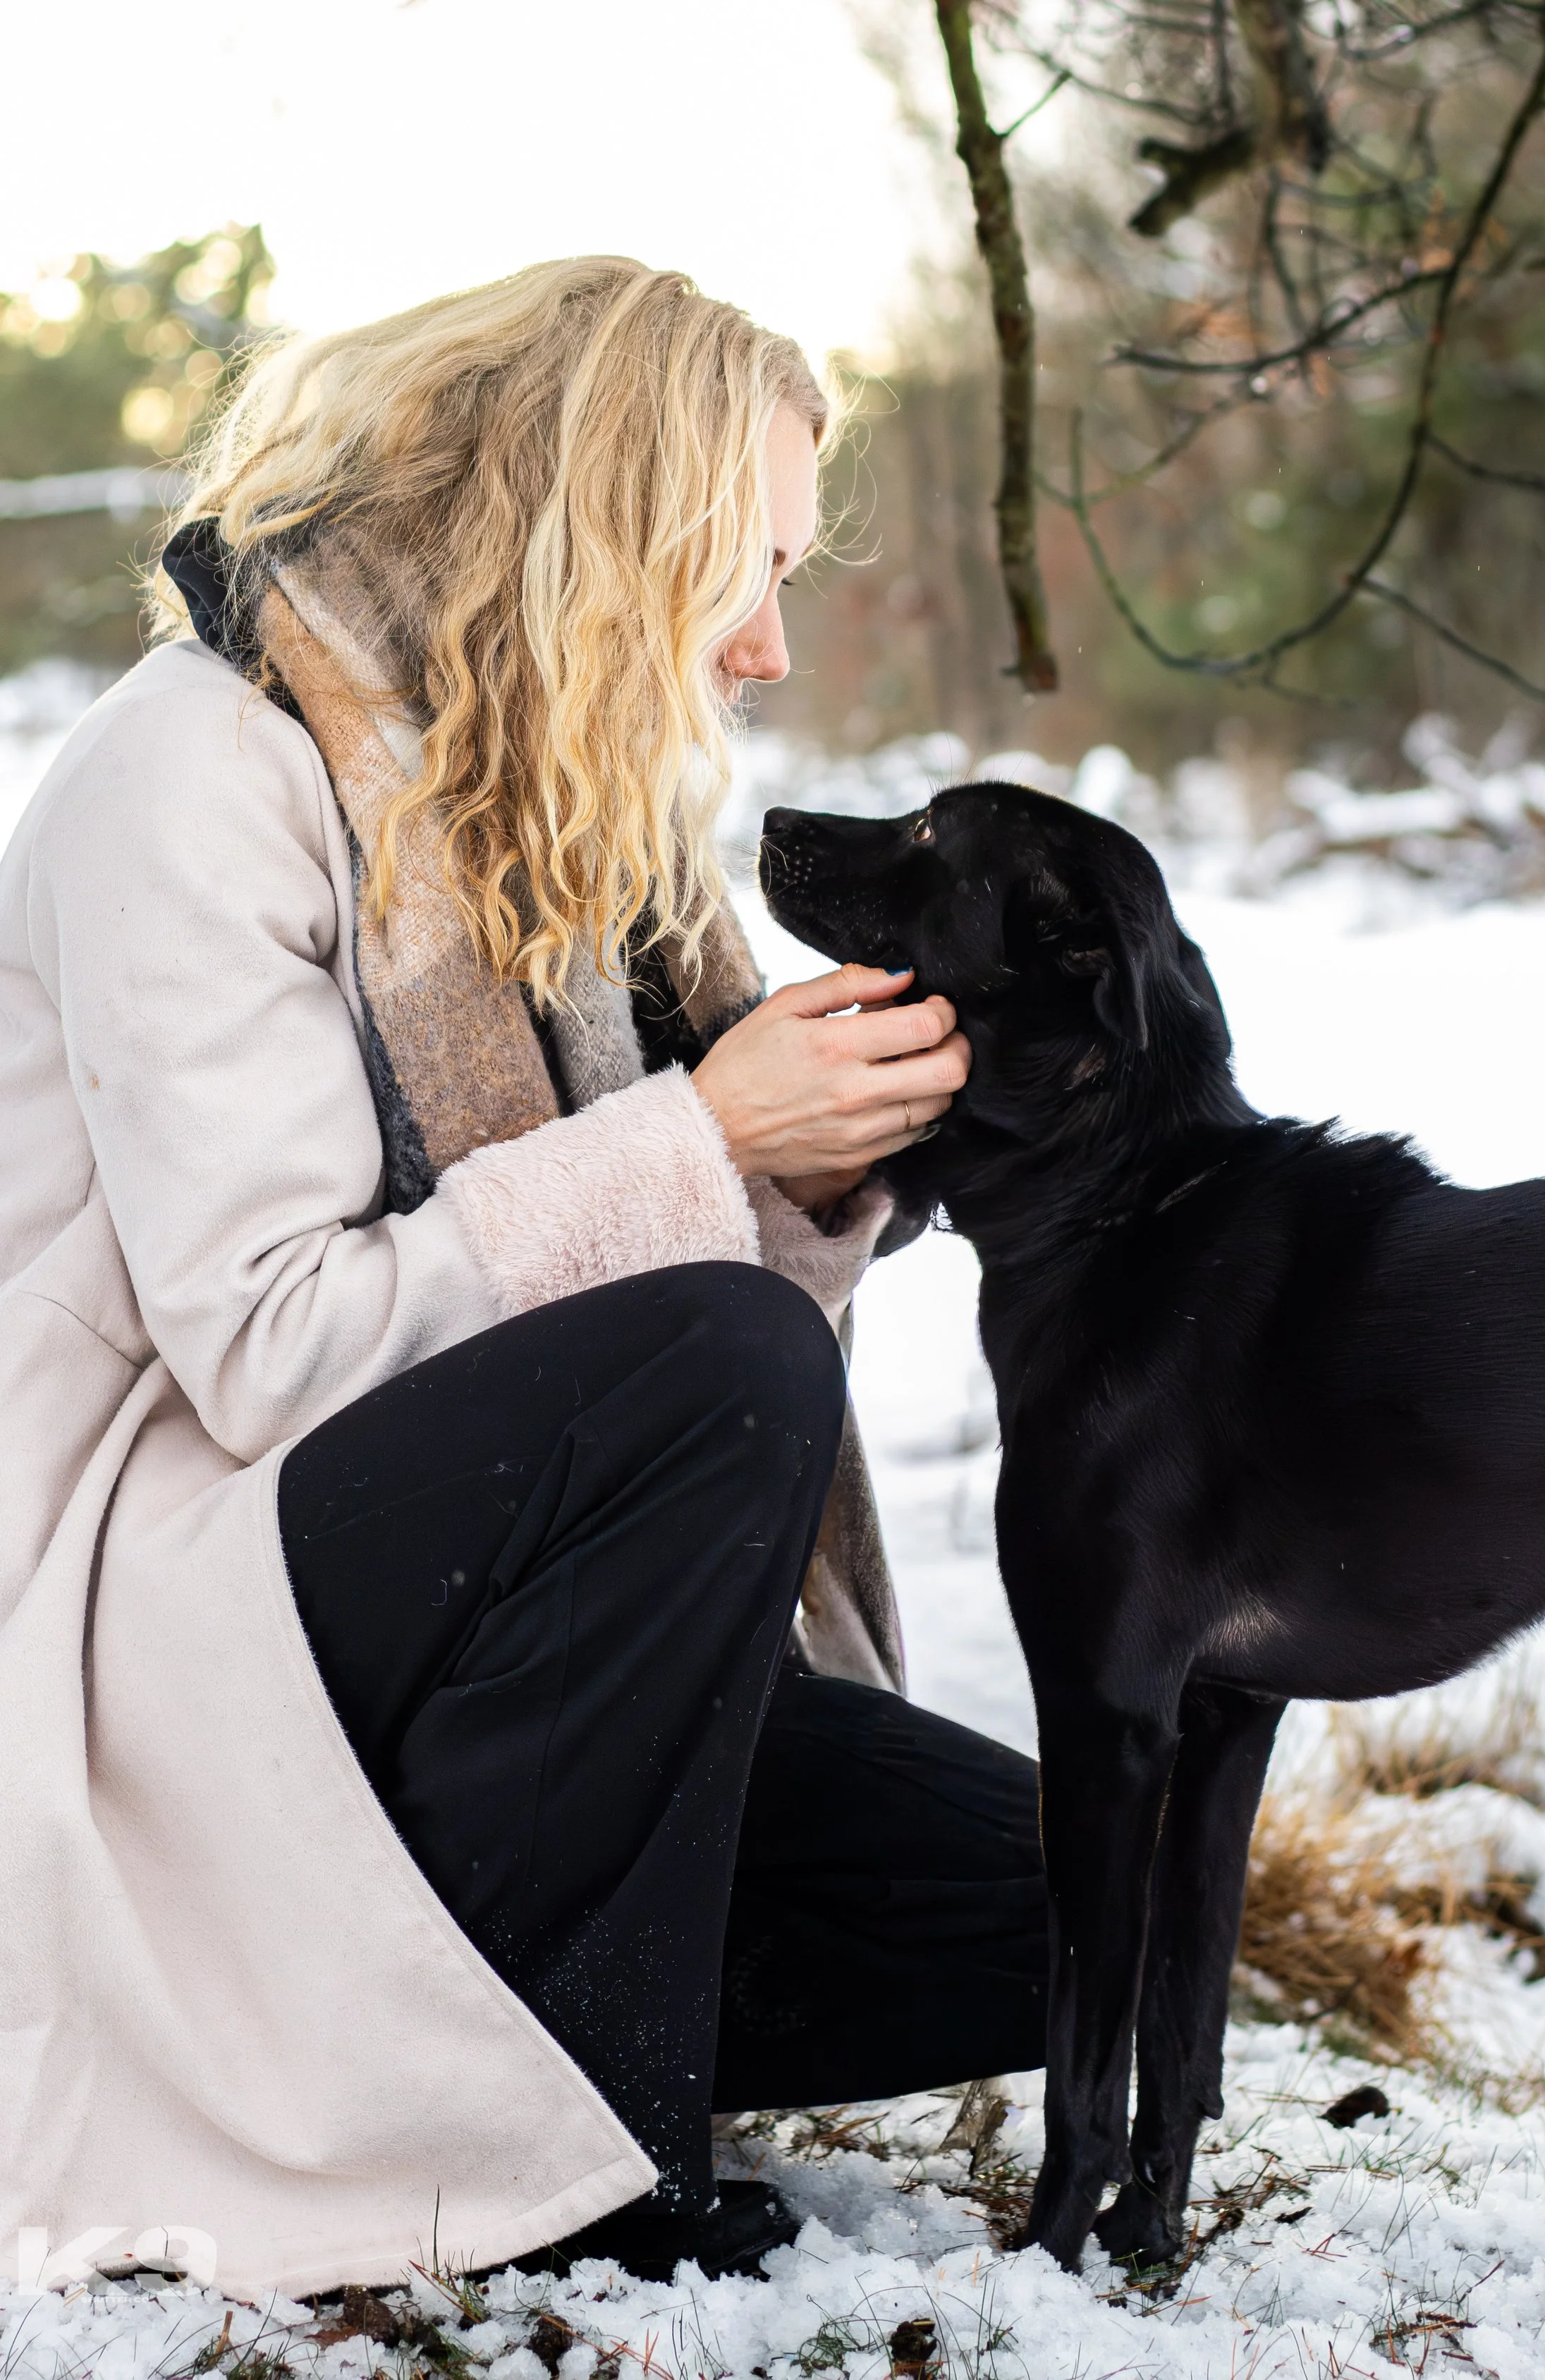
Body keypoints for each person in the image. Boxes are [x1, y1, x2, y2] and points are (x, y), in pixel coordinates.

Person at [0, 258, 1046, 2302]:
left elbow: (636, 1380)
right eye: (727, 567)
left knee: (1071, 1901)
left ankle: (437, 2023)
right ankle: (584, 2142)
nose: (759, 643)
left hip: (452, 1645)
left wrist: (834, 1143)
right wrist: (706, 1143)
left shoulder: (557, 826)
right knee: (723, 1354)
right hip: (164, 1625)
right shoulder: (194, 771)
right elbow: (274, 1346)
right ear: (585, 538)